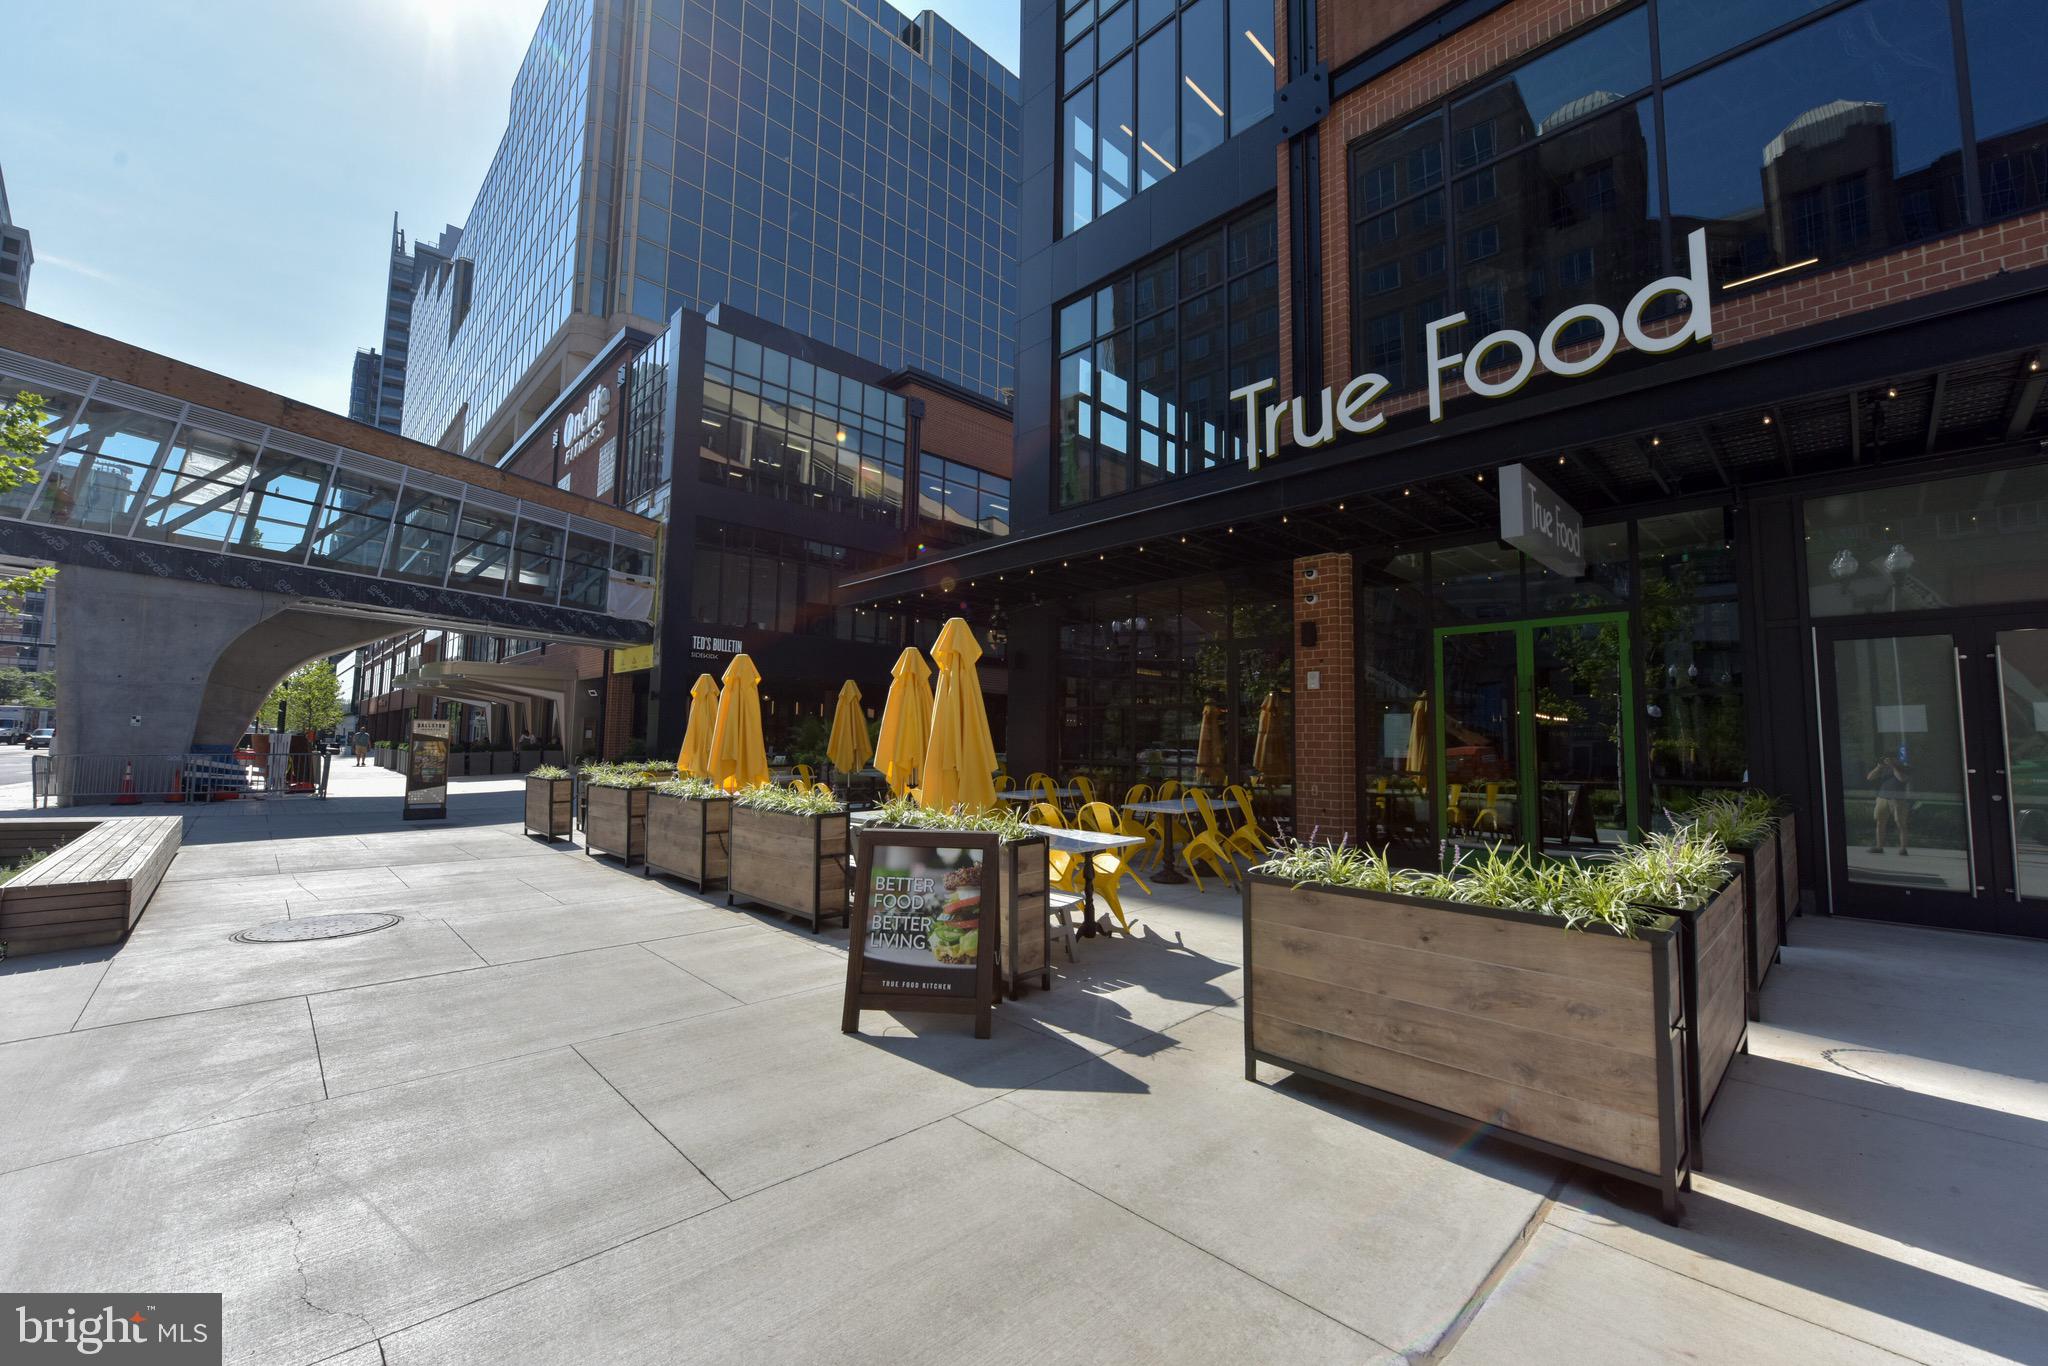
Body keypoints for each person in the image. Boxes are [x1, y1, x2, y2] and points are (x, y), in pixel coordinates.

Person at [1866, 751, 1910, 855]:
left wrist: (1893, 766)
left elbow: (1902, 779)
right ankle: (1879, 847)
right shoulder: (1884, 769)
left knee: (1900, 823)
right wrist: (1879, 767)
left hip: (1898, 799)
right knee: (1880, 822)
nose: (1888, 760)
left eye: (1890, 758)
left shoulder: (1904, 768)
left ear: (1896, 759)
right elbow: (1869, 777)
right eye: (1887, 759)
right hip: (1882, 798)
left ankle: (1903, 848)